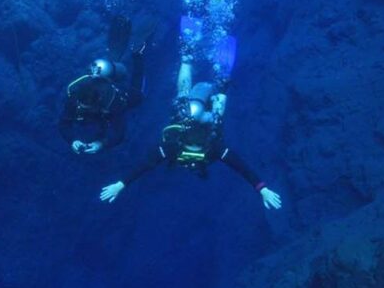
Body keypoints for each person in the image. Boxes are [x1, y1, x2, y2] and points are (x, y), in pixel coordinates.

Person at [99, 57, 283, 209]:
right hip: (197, 118)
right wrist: (261, 188)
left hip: (194, 117)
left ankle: (197, 66)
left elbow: (146, 165)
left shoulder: (178, 147)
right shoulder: (211, 148)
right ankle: (207, 74)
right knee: (195, 101)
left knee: (196, 102)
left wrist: (121, 184)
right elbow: (240, 166)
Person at [59, 16, 147, 154]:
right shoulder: (74, 99)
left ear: (98, 103)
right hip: (102, 81)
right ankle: (111, 64)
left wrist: (101, 144)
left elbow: (120, 133)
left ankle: (138, 55)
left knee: (139, 96)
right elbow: (64, 123)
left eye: (88, 108)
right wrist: (72, 140)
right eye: (82, 106)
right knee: (108, 66)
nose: (83, 110)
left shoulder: (113, 103)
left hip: (118, 91)